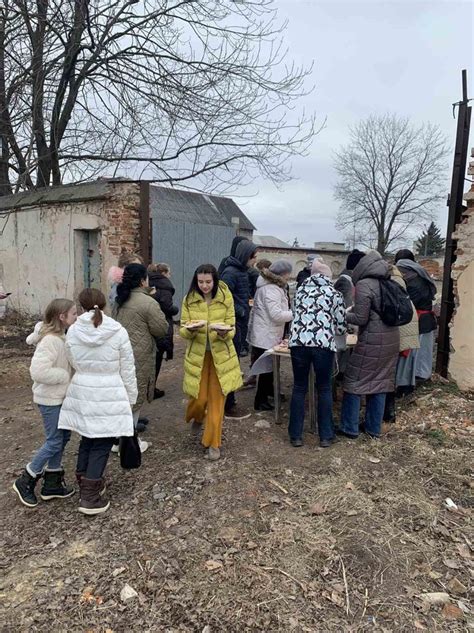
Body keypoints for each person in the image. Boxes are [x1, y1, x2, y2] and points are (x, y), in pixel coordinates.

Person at [58, 289, 137, 515]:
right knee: (102, 441)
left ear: (81, 307)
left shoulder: (73, 331)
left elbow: (72, 360)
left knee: (87, 437)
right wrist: (130, 398)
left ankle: (85, 481)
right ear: (104, 305)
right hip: (110, 391)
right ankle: (90, 497)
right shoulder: (118, 331)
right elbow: (127, 368)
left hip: (83, 389)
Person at [13, 299, 77, 508]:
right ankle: (26, 479)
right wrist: (63, 376)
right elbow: (38, 371)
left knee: (63, 436)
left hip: (59, 397)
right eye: (73, 314)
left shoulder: (60, 337)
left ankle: (52, 483)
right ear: (62, 317)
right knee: (54, 440)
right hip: (50, 399)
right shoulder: (51, 341)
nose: (76, 317)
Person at [180, 264, 243, 460]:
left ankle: (213, 443)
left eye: (208, 282)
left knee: (216, 401)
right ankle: (197, 416)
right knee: (198, 399)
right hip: (198, 356)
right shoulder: (189, 299)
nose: (205, 285)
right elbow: (182, 329)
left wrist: (225, 333)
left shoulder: (225, 298)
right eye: (201, 282)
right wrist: (190, 330)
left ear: (215, 281)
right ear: (195, 281)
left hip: (221, 357)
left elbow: (232, 328)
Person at [339, 251, 400, 439]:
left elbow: (360, 318)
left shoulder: (365, 284)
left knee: (354, 381)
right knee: (380, 382)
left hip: (372, 339)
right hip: (391, 339)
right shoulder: (389, 282)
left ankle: (349, 427)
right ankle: (374, 428)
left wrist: (341, 314)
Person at [288, 260, 347, 448]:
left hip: (298, 344)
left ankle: (296, 436)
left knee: (299, 387)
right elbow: (340, 326)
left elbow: (295, 315)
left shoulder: (300, 292)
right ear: (328, 276)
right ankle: (326, 436)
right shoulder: (334, 294)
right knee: (324, 388)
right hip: (322, 345)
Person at [114, 264, 168, 449]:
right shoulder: (148, 303)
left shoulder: (120, 299)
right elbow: (161, 329)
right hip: (140, 354)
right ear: (142, 280)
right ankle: (129, 445)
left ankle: (116, 440)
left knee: (122, 396)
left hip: (119, 353)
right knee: (134, 398)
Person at [248, 260, 293, 411]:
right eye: (288, 273)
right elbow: (276, 315)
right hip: (265, 335)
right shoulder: (271, 289)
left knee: (269, 368)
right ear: (283, 273)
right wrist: (296, 314)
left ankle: (266, 395)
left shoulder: (271, 287)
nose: (289, 276)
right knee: (266, 370)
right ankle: (260, 401)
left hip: (267, 333)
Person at [219, 239, 258, 419]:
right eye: (253, 257)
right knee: (230, 365)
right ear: (245, 256)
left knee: (234, 364)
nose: (255, 260)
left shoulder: (241, 271)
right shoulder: (230, 273)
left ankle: (229, 402)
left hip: (239, 324)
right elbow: (222, 300)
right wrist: (242, 310)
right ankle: (227, 405)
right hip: (233, 325)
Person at [383, 265, 420, 422]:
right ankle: (389, 412)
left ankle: (387, 412)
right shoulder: (402, 289)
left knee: (386, 377)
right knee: (392, 375)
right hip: (405, 336)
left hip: (394, 337)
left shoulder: (389, 288)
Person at [395, 250, 437, 383]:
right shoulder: (420, 275)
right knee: (422, 354)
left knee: (413, 356)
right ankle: (419, 377)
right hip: (425, 320)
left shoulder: (412, 280)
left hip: (417, 321)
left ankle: (411, 381)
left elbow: (409, 304)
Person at [148, 263, 179, 400]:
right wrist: (176, 310)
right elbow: (167, 306)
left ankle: (149, 388)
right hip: (162, 323)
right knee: (157, 358)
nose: (170, 276)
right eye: (169, 273)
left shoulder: (149, 282)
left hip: (149, 323)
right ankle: (151, 389)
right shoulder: (165, 285)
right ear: (164, 272)